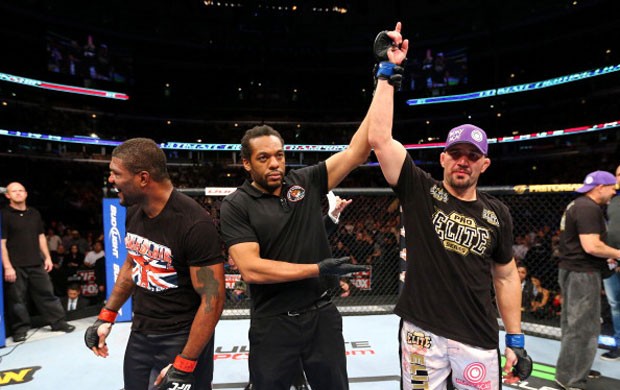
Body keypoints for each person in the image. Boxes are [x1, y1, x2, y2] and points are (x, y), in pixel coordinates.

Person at [366, 22, 532, 389]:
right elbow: (379, 139)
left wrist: (516, 339)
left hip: (477, 336)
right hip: (421, 332)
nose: (463, 161)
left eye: (472, 156)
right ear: (442, 159)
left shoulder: (497, 213)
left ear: (484, 164)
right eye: (455, 153)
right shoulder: (418, 190)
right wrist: (387, 72)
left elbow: (505, 276)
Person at [219, 70, 376, 388]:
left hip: (322, 319)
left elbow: (357, 152)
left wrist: (384, 82)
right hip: (274, 324)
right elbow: (252, 269)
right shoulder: (237, 204)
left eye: (279, 155)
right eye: (263, 158)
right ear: (247, 164)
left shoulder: (305, 181)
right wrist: (316, 269)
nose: (275, 163)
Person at [83, 138, 226, 390]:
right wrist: (107, 316)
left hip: (182, 337)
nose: (111, 180)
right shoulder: (134, 210)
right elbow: (132, 263)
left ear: (143, 178)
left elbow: (212, 301)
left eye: (116, 174)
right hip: (141, 333)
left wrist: (186, 361)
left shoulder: (194, 224)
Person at [555, 170, 620, 389]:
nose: (614, 192)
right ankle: (574, 379)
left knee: (572, 326)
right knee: (584, 328)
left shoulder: (577, 204)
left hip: (572, 271)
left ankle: (569, 372)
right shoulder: (588, 208)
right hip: (583, 274)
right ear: (600, 187)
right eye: (612, 187)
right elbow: (592, 246)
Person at [1, 182, 75, 342]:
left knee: (47, 294)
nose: (19, 193)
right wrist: (7, 266)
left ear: (26, 194)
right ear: (8, 195)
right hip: (15, 265)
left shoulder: (34, 213)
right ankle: (20, 330)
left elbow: (41, 237)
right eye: (15, 191)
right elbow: (2, 242)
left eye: (21, 190)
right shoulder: (4, 215)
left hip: (35, 262)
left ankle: (58, 322)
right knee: (17, 299)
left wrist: (47, 257)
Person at [602, 163, 620, 361]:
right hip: (611, 259)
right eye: (617, 174)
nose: (619, 177)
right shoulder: (611, 200)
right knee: (615, 304)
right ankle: (619, 345)